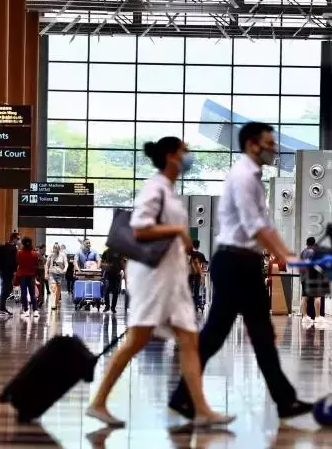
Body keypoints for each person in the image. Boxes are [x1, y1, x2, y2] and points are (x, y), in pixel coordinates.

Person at [86, 137, 234, 428]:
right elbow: (140, 228)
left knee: (190, 340)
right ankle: (99, 401)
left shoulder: (168, 190)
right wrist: (178, 229)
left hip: (173, 278)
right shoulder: (154, 188)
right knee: (137, 340)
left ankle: (201, 408)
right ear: (170, 156)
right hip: (153, 279)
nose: (188, 156)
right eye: (184, 151)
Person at [169, 122, 312, 421]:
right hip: (234, 263)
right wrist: (286, 256)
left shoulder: (254, 177)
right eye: (269, 143)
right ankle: (183, 396)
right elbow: (255, 227)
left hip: (244, 263)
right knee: (216, 335)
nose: (274, 148)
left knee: (259, 333)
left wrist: (287, 254)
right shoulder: (244, 177)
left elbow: (267, 226)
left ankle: (285, 401)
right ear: (251, 145)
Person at [16, 236, 40, 319]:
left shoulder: (19, 253)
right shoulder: (34, 254)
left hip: (22, 275)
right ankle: (35, 310)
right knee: (32, 293)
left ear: (22, 243)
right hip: (31, 275)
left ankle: (26, 310)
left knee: (23, 293)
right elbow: (36, 265)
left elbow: (18, 263)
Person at [0, 233, 19, 316]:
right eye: (18, 238)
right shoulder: (13, 248)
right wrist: (14, 270)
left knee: (6, 288)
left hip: (3, 271)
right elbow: (13, 260)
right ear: (13, 238)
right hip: (8, 271)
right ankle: (1, 308)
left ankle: (1, 307)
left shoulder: (5, 246)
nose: (18, 240)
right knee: (7, 289)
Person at [101, 247, 125, 313]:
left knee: (115, 292)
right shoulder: (106, 252)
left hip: (117, 275)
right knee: (106, 291)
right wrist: (106, 265)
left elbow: (122, 263)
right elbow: (101, 263)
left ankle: (113, 308)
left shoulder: (120, 252)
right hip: (108, 275)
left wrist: (124, 272)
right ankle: (107, 306)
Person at [46, 244, 67, 310]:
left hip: (60, 274)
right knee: (53, 288)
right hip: (52, 273)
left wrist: (65, 269)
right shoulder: (51, 255)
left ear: (59, 248)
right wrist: (46, 273)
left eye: (57, 248)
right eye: (54, 247)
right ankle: (53, 303)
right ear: (53, 248)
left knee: (58, 289)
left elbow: (66, 263)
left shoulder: (63, 255)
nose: (56, 249)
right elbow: (47, 264)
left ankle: (56, 302)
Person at [188, 240, 206, 310]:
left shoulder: (190, 254)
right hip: (198, 274)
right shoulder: (201, 255)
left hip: (190, 274)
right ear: (199, 246)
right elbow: (204, 266)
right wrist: (201, 271)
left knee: (189, 290)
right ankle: (195, 307)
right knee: (196, 291)